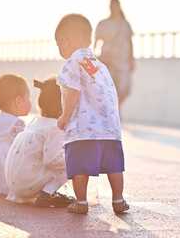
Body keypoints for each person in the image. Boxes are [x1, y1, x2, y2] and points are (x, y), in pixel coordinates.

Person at [55, 14, 129, 215]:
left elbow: (73, 92)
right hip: (110, 129)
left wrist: (64, 117)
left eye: (58, 45)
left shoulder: (72, 63)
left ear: (65, 41)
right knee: (115, 166)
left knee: (79, 166)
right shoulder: (100, 65)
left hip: (83, 129)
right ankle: (118, 198)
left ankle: (81, 201)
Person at [5, 77, 75, 207]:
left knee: (64, 160)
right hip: (27, 185)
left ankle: (47, 193)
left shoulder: (35, 122)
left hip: (15, 185)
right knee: (73, 162)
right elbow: (52, 160)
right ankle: (46, 195)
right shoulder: (55, 128)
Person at [94, 0, 135, 108]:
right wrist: (94, 59)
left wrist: (132, 59)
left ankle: (116, 107)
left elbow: (130, 42)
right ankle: (112, 111)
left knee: (125, 89)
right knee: (108, 88)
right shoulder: (104, 23)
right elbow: (96, 41)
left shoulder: (125, 24)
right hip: (107, 60)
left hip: (123, 61)